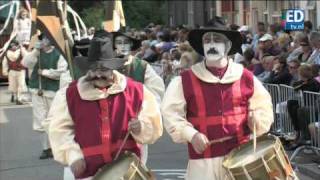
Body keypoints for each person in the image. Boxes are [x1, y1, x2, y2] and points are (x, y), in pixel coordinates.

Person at [44, 30, 162, 179]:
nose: (98, 75)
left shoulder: (136, 91)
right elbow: (58, 129)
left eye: (104, 70)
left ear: (113, 67)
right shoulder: (69, 95)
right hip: (88, 172)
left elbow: (153, 124)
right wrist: (73, 156)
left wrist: (141, 127)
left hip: (127, 172)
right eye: (94, 69)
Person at [161, 24, 273, 179]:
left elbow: (263, 107)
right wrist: (191, 134)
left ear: (228, 46)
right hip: (203, 162)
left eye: (217, 40)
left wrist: (257, 120)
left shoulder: (246, 77)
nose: (211, 45)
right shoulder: (184, 81)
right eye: (207, 40)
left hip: (240, 158)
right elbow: (171, 114)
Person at [112, 31, 165, 165]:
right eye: (119, 42)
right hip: (111, 126)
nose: (123, 46)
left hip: (135, 126)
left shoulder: (142, 67)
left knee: (136, 166)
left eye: (126, 43)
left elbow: (156, 94)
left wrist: (142, 118)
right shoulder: (106, 66)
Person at [22, 35, 68, 159]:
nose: (44, 41)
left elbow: (61, 72)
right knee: (41, 120)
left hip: (52, 92)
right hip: (37, 90)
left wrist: (44, 72)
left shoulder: (58, 54)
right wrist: (35, 51)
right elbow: (25, 63)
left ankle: (56, 147)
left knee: (53, 120)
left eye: (47, 39)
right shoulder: (37, 53)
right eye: (42, 39)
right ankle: (46, 148)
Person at [2, 40, 28, 104]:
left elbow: (27, 56)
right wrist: (5, 71)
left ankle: (19, 98)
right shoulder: (7, 53)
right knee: (13, 85)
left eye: (15, 45)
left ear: (17, 45)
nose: (13, 46)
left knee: (21, 85)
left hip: (20, 71)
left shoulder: (21, 51)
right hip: (12, 71)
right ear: (10, 46)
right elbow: (4, 63)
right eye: (12, 45)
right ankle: (14, 94)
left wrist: (22, 48)